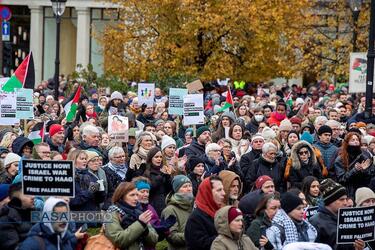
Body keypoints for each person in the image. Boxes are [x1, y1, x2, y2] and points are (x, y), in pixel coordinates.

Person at [309, 178, 365, 250]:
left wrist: (358, 247)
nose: (345, 203)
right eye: (341, 200)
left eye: (346, 199)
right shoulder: (315, 221)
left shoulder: (347, 218)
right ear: (330, 201)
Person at [106, 182, 159, 249]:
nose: (136, 198)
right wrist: (140, 224)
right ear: (121, 196)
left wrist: (145, 230)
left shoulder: (139, 212)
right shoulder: (110, 214)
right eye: (132, 195)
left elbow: (154, 239)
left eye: (137, 195)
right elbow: (118, 240)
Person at [185, 176, 225, 250]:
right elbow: (200, 245)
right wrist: (225, 236)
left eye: (223, 189)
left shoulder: (222, 212)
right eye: (219, 190)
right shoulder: (195, 218)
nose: (224, 193)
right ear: (208, 192)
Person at [335, 132, 375, 198]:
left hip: (363, 190)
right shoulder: (340, 159)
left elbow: (371, 175)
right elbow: (342, 179)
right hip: (348, 192)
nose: (356, 142)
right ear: (347, 143)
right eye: (353, 140)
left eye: (357, 140)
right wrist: (355, 170)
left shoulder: (364, 156)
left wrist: (364, 170)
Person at [161, 175, 194, 250]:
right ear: (177, 190)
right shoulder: (170, 210)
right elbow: (171, 236)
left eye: (190, 185)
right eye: (185, 186)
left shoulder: (194, 206)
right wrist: (192, 237)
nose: (189, 189)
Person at [0, 183, 34, 250]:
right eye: (27, 195)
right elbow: (13, 246)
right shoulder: (5, 220)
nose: (33, 197)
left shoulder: (34, 213)